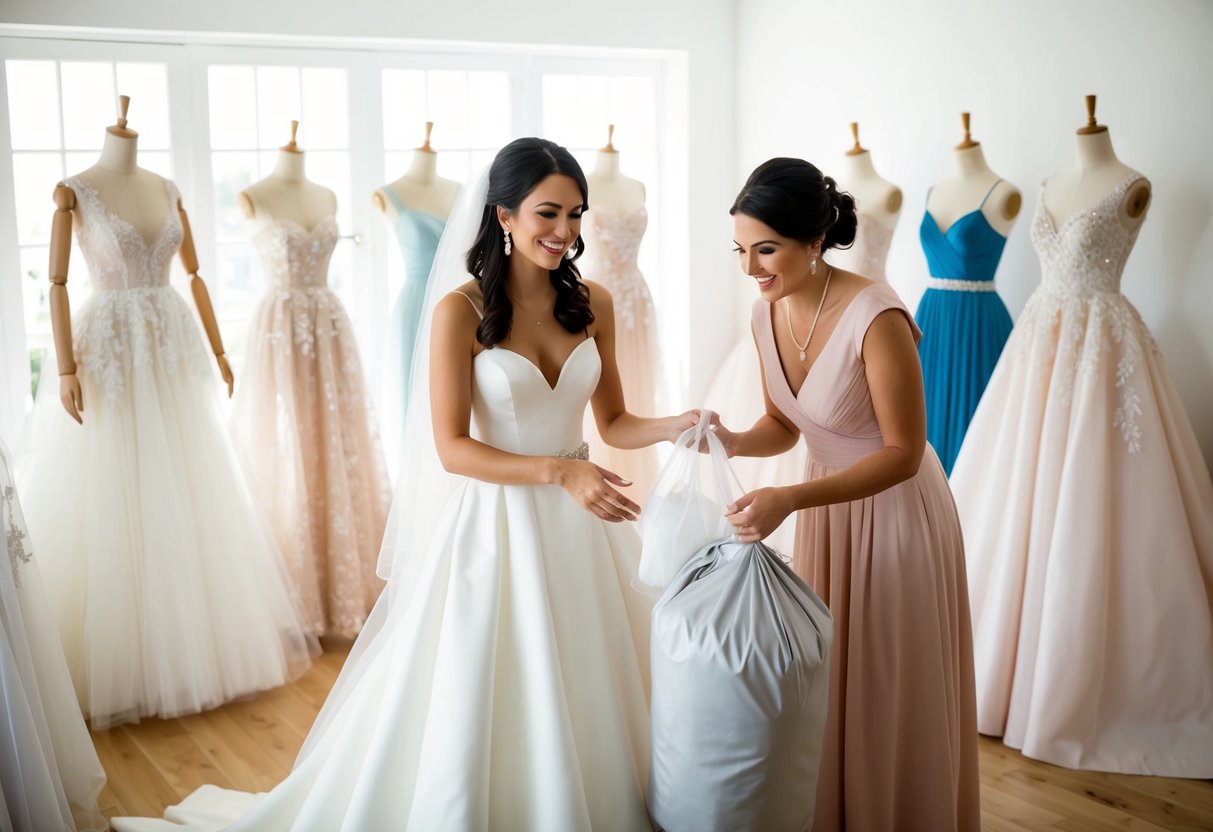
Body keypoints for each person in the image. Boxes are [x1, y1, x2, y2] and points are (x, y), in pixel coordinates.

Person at [113, 137, 694, 832]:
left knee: (594, 683)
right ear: (503, 216)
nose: (565, 233)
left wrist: (675, 425)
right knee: (487, 692)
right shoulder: (459, 309)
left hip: (582, 528)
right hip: (497, 527)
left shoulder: (592, 300)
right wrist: (557, 470)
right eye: (548, 214)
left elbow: (617, 419)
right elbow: (451, 448)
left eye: (575, 214)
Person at [711, 158, 980, 831]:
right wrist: (734, 441)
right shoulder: (763, 313)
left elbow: (901, 451)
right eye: (740, 251)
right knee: (834, 681)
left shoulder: (876, 314)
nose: (751, 269)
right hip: (830, 514)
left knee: (890, 684)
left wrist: (792, 500)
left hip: (895, 515)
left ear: (812, 240)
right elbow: (785, 422)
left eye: (764, 249)